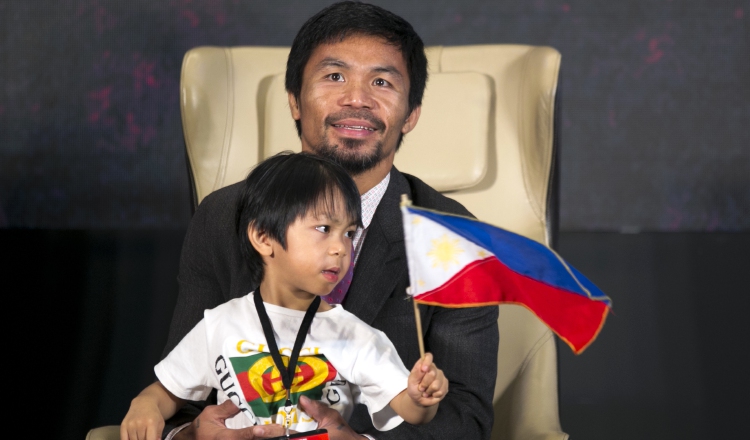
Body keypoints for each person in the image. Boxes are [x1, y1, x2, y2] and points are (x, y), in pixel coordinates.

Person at [161, 2, 499, 439]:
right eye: (334, 76)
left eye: (381, 81)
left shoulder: (455, 241)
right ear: (294, 102)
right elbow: (177, 396)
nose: (357, 99)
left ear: (411, 116)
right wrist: (188, 436)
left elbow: (466, 422)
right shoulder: (225, 216)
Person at [121, 152, 449, 440]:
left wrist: (421, 399)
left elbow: (408, 408)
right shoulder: (221, 322)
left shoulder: (355, 336)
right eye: (324, 229)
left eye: (349, 233)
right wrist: (145, 405)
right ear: (264, 237)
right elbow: (167, 391)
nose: (341, 247)